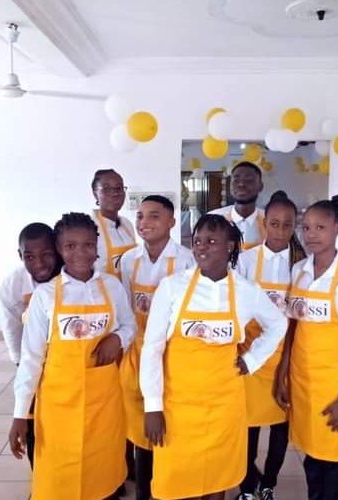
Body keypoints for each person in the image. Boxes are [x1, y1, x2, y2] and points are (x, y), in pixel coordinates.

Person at [141, 214, 287, 499]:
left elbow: (278, 324)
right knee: (176, 480)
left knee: (216, 478)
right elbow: (153, 348)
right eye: (197, 241)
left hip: (224, 405)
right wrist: (152, 406)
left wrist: (252, 360)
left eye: (211, 241)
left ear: (230, 246)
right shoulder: (172, 287)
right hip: (177, 405)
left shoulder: (246, 291)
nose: (201, 248)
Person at [9, 212, 136, 500]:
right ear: (59, 248)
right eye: (70, 246)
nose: (81, 253)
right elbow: (30, 359)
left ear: (97, 246)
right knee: (59, 475)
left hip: (104, 401)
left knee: (101, 471)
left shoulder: (111, 287)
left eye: (88, 244)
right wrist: (20, 415)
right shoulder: (46, 296)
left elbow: (130, 325)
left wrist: (117, 338)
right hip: (59, 404)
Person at [274, 196, 338, 500]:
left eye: (320, 227)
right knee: (312, 456)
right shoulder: (299, 271)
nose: (312, 234)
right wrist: (282, 374)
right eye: (306, 227)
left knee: (333, 458)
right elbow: (293, 327)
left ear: (337, 228)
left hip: (333, 384)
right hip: (303, 380)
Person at [119, 195, 195, 500]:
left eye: (154, 216)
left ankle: (170, 486)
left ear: (172, 222)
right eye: (140, 216)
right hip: (138, 352)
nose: (144, 223)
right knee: (140, 425)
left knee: (169, 421)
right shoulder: (128, 260)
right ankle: (143, 489)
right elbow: (126, 308)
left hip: (172, 354)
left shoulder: (187, 260)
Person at [235, 191, 306, 500]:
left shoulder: (301, 266)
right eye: (274, 223)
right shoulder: (245, 259)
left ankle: (269, 484)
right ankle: (247, 487)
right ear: (264, 224)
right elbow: (235, 308)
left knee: (280, 426)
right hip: (252, 353)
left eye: (287, 225)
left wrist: (287, 363)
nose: (279, 231)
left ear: (295, 226)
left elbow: (297, 318)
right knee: (248, 426)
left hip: (285, 355)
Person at [0, 222, 60, 468]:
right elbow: (12, 328)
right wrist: (19, 364)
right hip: (33, 358)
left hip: (65, 362)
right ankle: (41, 476)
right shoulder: (11, 285)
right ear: (20, 255)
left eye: (47, 254)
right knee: (34, 419)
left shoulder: (70, 276)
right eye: (30, 257)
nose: (40, 264)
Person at [90, 168, 137, 278]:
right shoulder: (89, 228)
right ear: (95, 194)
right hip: (103, 287)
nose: (115, 193)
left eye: (119, 188)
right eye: (106, 189)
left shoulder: (127, 224)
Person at [210, 162, 265, 250]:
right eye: (236, 180)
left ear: (260, 186)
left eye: (249, 180)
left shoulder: (271, 222)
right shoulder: (212, 219)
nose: (241, 184)